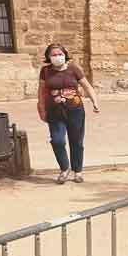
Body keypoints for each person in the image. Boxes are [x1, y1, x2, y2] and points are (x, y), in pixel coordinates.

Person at [37, 43, 100, 184]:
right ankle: (64, 168)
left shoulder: (74, 69)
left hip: (75, 111)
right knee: (57, 140)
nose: (57, 57)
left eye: (60, 54)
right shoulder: (45, 71)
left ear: (65, 55)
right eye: (53, 55)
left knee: (76, 141)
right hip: (54, 111)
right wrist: (41, 107)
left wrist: (94, 102)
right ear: (48, 57)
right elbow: (41, 91)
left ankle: (77, 171)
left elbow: (87, 86)